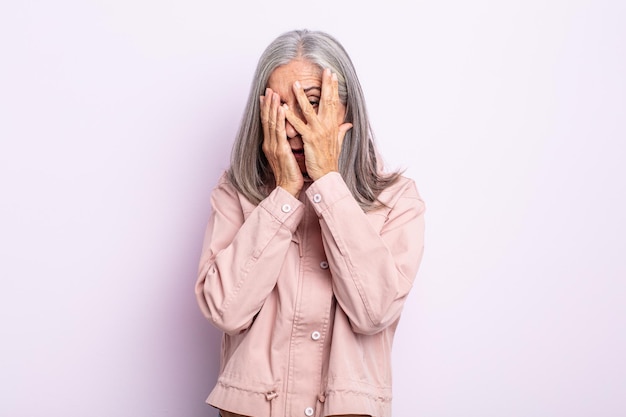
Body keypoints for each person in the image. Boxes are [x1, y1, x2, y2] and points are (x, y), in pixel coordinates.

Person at [195, 29, 425, 417]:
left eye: (311, 103)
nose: (290, 126)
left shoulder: (398, 200)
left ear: (345, 109)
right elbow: (224, 311)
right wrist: (284, 193)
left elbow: (374, 313)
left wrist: (328, 184)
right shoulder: (237, 192)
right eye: (278, 107)